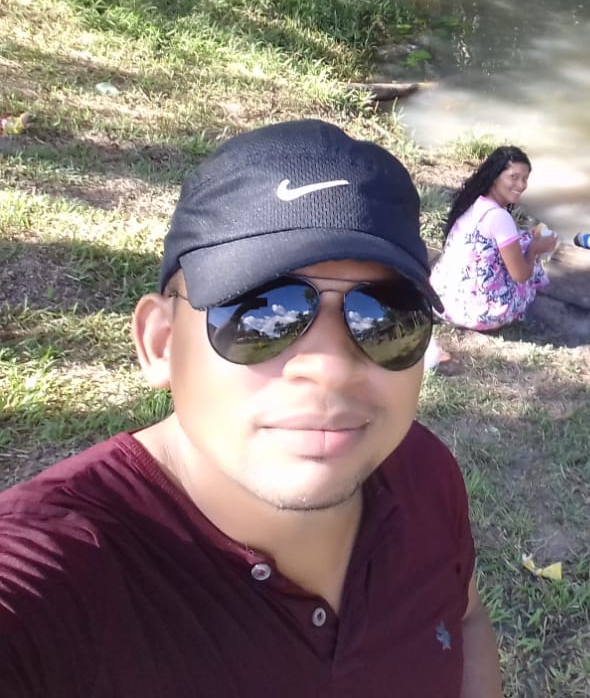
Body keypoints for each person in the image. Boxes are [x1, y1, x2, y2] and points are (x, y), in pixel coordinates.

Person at [0, 119, 502, 697]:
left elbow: (462, 618)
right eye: (263, 314)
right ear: (160, 343)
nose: (330, 367)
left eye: (386, 317)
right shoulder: (65, 577)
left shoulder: (421, 473)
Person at [431, 145, 557, 331]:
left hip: (443, 301)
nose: (521, 185)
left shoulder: (474, 203)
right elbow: (520, 275)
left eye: (525, 179)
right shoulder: (499, 217)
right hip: (476, 315)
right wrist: (534, 250)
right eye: (513, 177)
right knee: (527, 259)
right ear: (494, 177)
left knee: (523, 240)